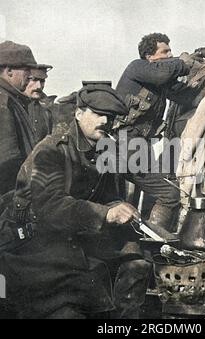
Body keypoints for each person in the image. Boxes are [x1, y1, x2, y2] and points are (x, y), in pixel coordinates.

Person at [0, 82, 151, 319]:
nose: (105, 121)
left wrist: (116, 205)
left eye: (110, 117)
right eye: (99, 114)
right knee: (70, 304)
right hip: (32, 241)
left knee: (137, 263)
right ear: (79, 113)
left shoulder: (104, 151)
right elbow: (50, 207)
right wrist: (106, 214)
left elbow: (106, 195)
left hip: (76, 234)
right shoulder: (51, 149)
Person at [116, 33, 198, 231]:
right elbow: (161, 74)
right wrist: (182, 63)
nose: (170, 54)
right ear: (149, 56)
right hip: (121, 145)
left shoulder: (160, 83)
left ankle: (139, 238)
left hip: (137, 147)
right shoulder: (137, 67)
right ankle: (154, 241)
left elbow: (186, 97)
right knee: (169, 193)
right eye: (165, 51)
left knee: (147, 192)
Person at [0, 40, 52, 196]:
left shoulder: (13, 100)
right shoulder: (4, 102)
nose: (31, 76)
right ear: (9, 71)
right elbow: (7, 162)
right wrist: (17, 201)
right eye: (27, 70)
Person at [23, 66, 54, 142]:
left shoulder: (47, 109)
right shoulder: (9, 105)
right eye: (34, 80)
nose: (39, 86)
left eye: (42, 81)